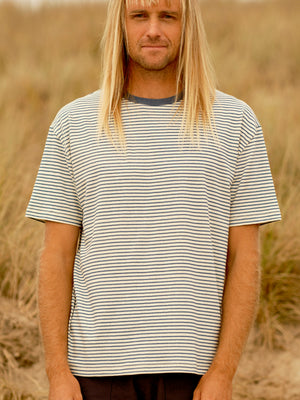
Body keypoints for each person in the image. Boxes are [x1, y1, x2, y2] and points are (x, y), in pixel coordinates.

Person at [26, 0, 281, 399]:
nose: (153, 31)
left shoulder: (236, 122)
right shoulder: (73, 123)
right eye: (140, 16)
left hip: (194, 373)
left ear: (187, 24)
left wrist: (223, 373)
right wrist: (58, 374)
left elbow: (244, 257)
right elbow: (56, 255)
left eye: (168, 16)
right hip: (95, 372)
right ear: (121, 24)